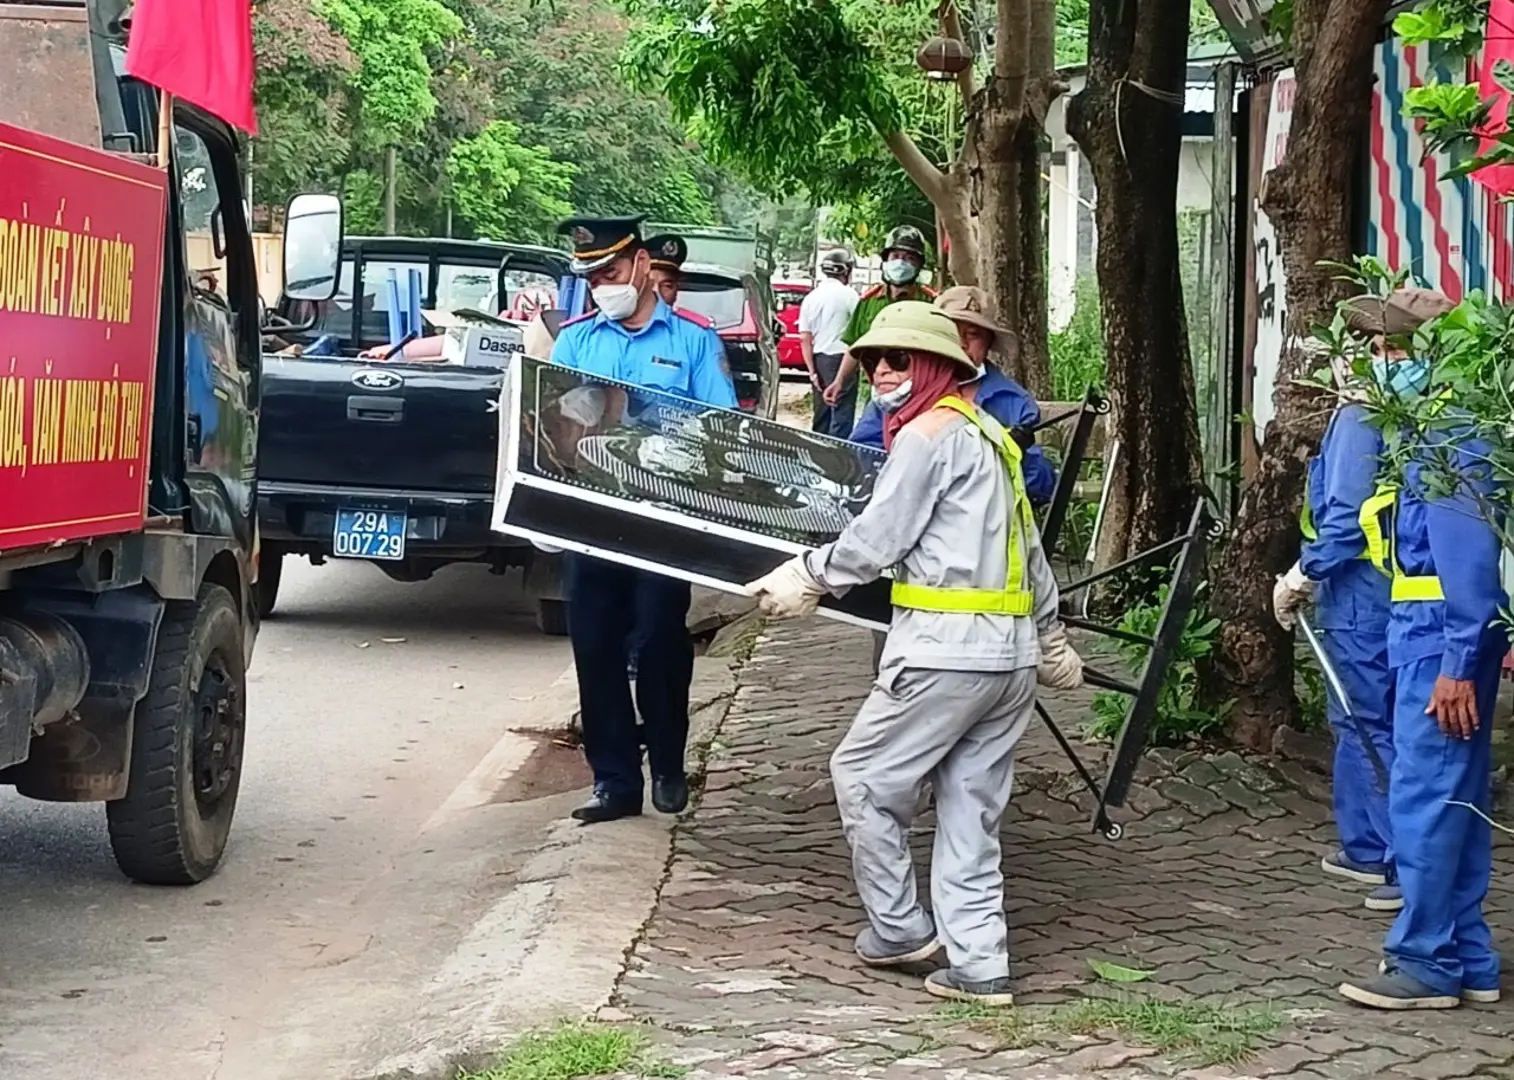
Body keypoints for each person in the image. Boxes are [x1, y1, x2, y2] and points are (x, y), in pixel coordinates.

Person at [743, 301, 1084, 1005]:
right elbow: (1031, 547)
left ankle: (899, 931)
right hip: (1009, 662)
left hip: (943, 657)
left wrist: (805, 575)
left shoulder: (927, 437)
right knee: (969, 808)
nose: (883, 374)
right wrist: (1049, 637)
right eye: (873, 362)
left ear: (937, 366)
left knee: (864, 778)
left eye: (898, 360)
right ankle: (980, 964)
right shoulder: (990, 434)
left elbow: (878, 539)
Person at [1331, 289, 1507, 1011]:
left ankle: (1426, 962)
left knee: (1425, 800)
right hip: (1432, 625)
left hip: (1440, 631)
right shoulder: (1436, 426)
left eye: (1396, 347)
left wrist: (1457, 665)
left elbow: (1466, 557)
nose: (1382, 361)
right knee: (1450, 801)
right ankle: (1468, 957)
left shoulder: (1449, 431)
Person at [1272, 292, 1458, 916]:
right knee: (1401, 726)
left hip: (1360, 593)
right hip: (1408, 592)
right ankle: (1401, 857)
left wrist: (1303, 573)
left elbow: (1345, 521)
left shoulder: (1363, 415)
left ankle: (1378, 853)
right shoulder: (1438, 412)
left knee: (1362, 719)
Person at [550, 215, 737, 825]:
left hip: (665, 516)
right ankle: (614, 781)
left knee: (659, 638)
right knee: (595, 644)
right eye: (591, 276)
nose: (601, 284)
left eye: (609, 271)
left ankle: (668, 763)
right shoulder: (577, 341)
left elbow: (723, 428)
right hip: (594, 517)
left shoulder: (692, 340)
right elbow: (554, 425)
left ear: (641, 266)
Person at [852, 286, 1055, 506]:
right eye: (951, 331)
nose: (961, 343)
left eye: (974, 335)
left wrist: (1016, 456)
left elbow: (1042, 487)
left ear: (988, 343)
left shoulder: (1014, 402)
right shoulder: (899, 389)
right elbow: (858, 455)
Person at [823, 225, 936, 409]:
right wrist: (839, 382)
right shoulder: (868, 302)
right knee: (864, 437)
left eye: (909, 258)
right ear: (886, 260)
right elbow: (854, 345)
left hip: (920, 393)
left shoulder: (931, 303)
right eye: (896, 257)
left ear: (919, 265)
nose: (901, 263)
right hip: (878, 390)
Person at [800, 248, 861, 437]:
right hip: (844, 359)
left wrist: (812, 372)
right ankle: (837, 461)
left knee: (821, 415)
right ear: (846, 271)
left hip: (819, 361)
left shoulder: (811, 298)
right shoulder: (850, 296)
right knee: (841, 416)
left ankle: (817, 458)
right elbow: (859, 331)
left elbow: (805, 338)